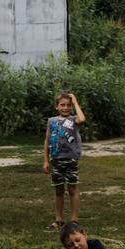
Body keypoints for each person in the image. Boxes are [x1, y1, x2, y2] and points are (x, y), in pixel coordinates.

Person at [43, 91, 86, 229]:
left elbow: (82, 119)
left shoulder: (74, 120)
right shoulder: (51, 121)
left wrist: (76, 102)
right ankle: (59, 219)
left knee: (72, 189)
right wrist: (46, 160)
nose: (65, 108)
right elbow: (47, 140)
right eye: (62, 105)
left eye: (68, 105)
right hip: (56, 159)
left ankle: (74, 220)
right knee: (58, 190)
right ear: (56, 106)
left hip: (71, 159)